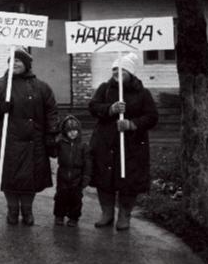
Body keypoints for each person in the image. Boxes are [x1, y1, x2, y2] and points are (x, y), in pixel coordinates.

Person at [0, 48, 59, 226]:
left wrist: (51, 133)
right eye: (12, 60)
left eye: (19, 61)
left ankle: (27, 210)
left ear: (27, 64)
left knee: (30, 179)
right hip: (7, 140)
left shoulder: (42, 87)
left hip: (34, 141)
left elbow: (51, 111)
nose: (15, 63)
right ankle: (13, 209)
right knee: (10, 177)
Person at [88, 52, 158, 231]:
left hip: (132, 145)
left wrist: (131, 124)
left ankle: (124, 215)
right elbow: (93, 107)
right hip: (105, 142)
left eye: (121, 71)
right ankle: (107, 213)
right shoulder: (104, 89)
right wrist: (110, 109)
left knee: (128, 180)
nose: (116, 74)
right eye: (114, 70)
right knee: (104, 179)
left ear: (130, 73)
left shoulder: (142, 93)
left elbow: (152, 117)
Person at [50, 115, 92, 227]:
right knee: (61, 196)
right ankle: (59, 216)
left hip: (77, 176)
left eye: (75, 130)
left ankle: (74, 217)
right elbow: (53, 153)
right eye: (69, 131)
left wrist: (86, 177)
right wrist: (54, 141)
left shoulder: (83, 145)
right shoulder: (61, 143)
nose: (72, 133)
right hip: (63, 174)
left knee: (76, 198)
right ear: (65, 132)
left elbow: (88, 162)